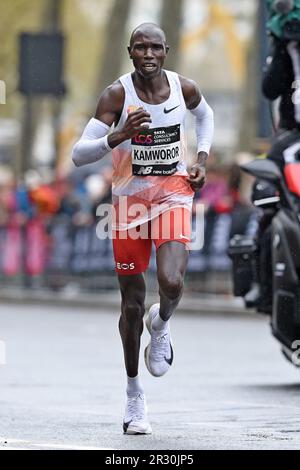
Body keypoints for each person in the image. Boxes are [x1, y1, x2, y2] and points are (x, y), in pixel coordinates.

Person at [72, 22, 214, 435]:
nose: (148, 55)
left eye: (155, 48)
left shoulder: (183, 87)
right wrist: (117, 137)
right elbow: (79, 154)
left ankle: (163, 323)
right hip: (129, 204)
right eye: (140, 48)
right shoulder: (117, 95)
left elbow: (205, 116)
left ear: (166, 51)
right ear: (129, 51)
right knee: (131, 305)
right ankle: (134, 395)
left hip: (173, 193)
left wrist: (201, 159)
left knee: (171, 282)